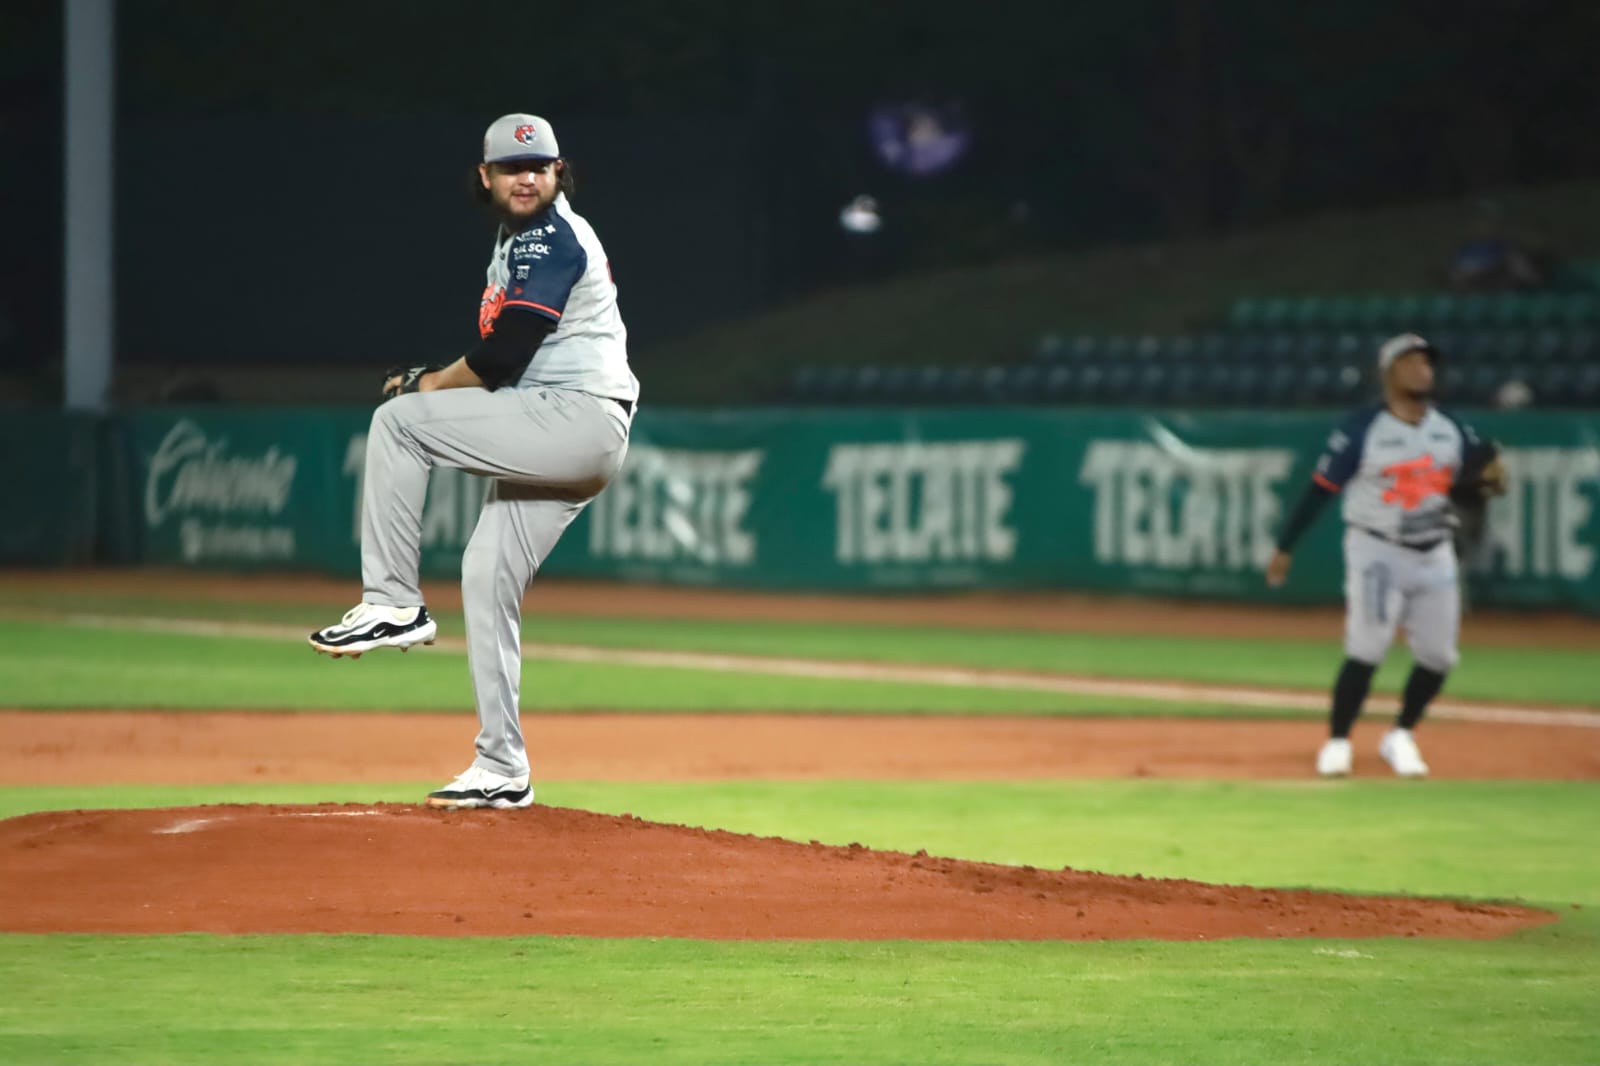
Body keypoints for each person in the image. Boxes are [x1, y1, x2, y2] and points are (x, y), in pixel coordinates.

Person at [309, 113, 639, 809]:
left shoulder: (551, 237)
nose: (526, 178)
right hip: (568, 426)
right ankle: (501, 767)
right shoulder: (514, 239)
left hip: (575, 417)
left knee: (399, 423)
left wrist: (428, 384)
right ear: (485, 176)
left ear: (558, 174)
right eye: (512, 168)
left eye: (538, 166)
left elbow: (503, 355)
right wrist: (434, 382)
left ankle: (391, 603)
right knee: (486, 576)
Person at [1264, 333, 1499, 779]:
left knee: (1439, 656)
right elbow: (1321, 489)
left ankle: (1401, 734)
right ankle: (1338, 741)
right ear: (1388, 373)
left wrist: (1482, 482)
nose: (1422, 371)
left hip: (1434, 551)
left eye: (1426, 363)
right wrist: (1285, 546)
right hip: (1377, 550)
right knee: (1367, 648)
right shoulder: (1363, 429)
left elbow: (1481, 480)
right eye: (1410, 363)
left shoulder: (1450, 427)